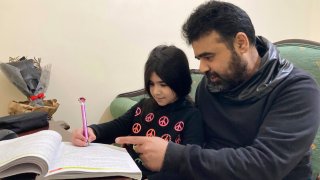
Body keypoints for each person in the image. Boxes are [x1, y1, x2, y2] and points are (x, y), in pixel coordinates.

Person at [115, 1, 320, 179]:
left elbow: (264, 165)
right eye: (199, 59)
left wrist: (173, 156)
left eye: (209, 57)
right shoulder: (211, 84)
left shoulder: (298, 89)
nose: (202, 68)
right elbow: (203, 148)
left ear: (241, 43)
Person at [71, 45, 204, 179]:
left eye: (163, 85)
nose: (156, 91)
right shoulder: (143, 106)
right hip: (123, 173)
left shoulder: (192, 116)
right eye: (151, 84)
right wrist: (92, 131)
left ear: (180, 81)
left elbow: (189, 166)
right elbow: (117, 126)